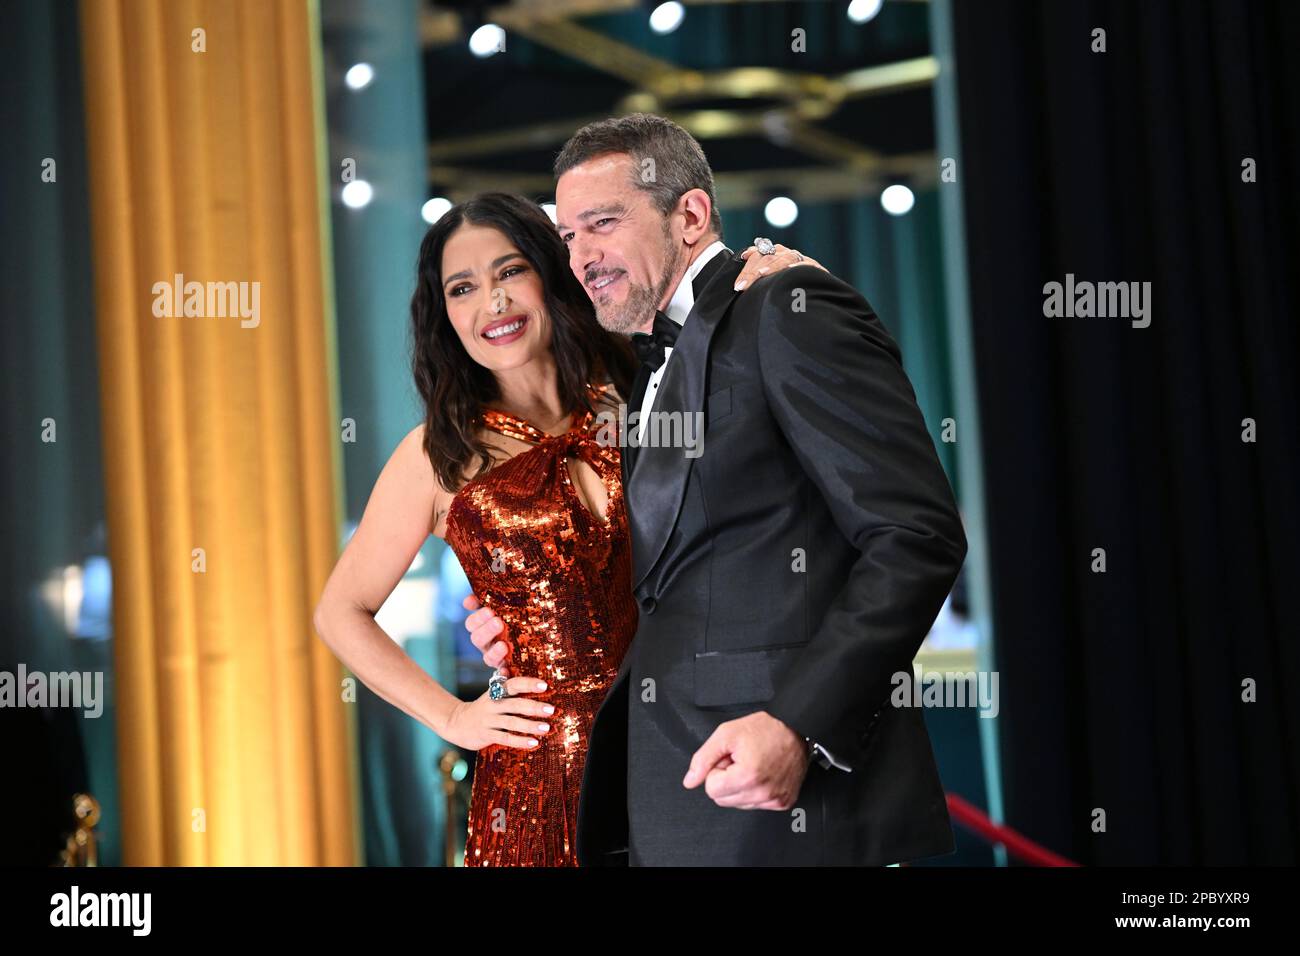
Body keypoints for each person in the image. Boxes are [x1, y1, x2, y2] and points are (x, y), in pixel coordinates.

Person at [465, 113, 968, 866]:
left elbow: (915, 538)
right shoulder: (642, 371)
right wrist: (529, 610)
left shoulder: (786, 309)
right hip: (670, 796)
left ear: (691, 215)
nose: (581, 257)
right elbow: (671, 575)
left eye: (602, 224)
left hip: (785, 800)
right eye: (568, 237)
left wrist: (799, 725)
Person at [311, 189, 819, 866]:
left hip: (684, 737)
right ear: (446, 316)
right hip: (537, 776)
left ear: (551, 274)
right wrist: (454, 717)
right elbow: (340, 611)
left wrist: (775, 267)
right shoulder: (437, 453)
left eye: (509, 271)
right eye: (462, 287)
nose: (491, 302)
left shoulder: (643, 391)